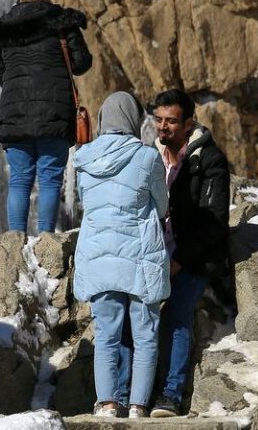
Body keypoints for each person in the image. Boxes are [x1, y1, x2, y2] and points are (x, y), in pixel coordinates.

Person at [73, 91, 169, 419]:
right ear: (133, 120)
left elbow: (83, 202)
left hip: (99, 258)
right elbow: (162, 205)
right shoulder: (147, 157)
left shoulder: (84, 160)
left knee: (106, 336)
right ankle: (140, 405)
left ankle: (108, 403)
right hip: (140, 257)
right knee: (145, 335)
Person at [0, 0, 92, 234]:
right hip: (53, 115)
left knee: (20, 179)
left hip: (14, 117)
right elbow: (81, 64)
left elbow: (3, 77)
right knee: (50, 179)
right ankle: (45, 238)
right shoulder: (62, 24)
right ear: (46, 2)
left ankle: (16, 238)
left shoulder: (4, 31)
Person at [149, 89, 230, 418]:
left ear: (188, 124)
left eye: (171, 121)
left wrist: (179, 261)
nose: (163, 127)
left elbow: (214, 222)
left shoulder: (209, 159)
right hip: (157, 254)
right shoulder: (151, 157)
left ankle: (170, 394)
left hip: (194, 257)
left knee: (176, 314)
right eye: (159, 120)